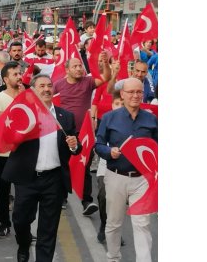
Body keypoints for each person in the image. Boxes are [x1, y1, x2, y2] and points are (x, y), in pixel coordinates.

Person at [2, 74, 81, 262]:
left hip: (53, 180)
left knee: (48, 229)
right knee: (20, 220)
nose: (46, 89)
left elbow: (76, 148)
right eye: (41, 86)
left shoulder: (65, 117)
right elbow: (7, 138)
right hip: (27, 178)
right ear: (34, 91)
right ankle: (23, 243)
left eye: (49, 85)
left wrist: (74, 145)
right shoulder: (23, 114)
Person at [95, 78, 158, 262]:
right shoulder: (109, 118)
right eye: (131, 92)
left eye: (139, 92)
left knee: (142, 224)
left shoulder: (151, 119)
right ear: (122, 94)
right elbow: (98, 145)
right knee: (114, 223)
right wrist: (109, 151)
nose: (135, 95)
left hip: (142, 180)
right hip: (116, 177)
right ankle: (113, 257)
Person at [53, 54, 110, 216]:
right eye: (75, 66)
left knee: (84, 165)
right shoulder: (58, 85)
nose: (79, 69)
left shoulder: (88, 82)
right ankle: (62, 196)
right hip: (64, 132)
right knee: (63, 164)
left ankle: (87, 200)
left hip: (84, 132)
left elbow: (106, 77)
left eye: (80, 66)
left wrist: (105, 63)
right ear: (67, 70)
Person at [0, 61, 23, 238]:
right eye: (15, 74)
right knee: (4, 189)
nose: (19, 77)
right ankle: (4, 223)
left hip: (24, 151)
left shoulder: (28, 94)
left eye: (20, 73)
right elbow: (1, 119)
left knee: (24, 191)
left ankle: (22, 225)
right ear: (5, 79)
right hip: (4, 151)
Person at [95, 91, 123, 244]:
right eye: (117, 104)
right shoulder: (106, 120)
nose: (119, 107)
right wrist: (108, 151)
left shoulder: (132, 123)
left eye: (122, 105)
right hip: (105, 166)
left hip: (123, 169)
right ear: (112, 105)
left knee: (118, 201)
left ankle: (115, 230)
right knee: (102, 196)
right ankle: (104, 223)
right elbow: (98, 145)